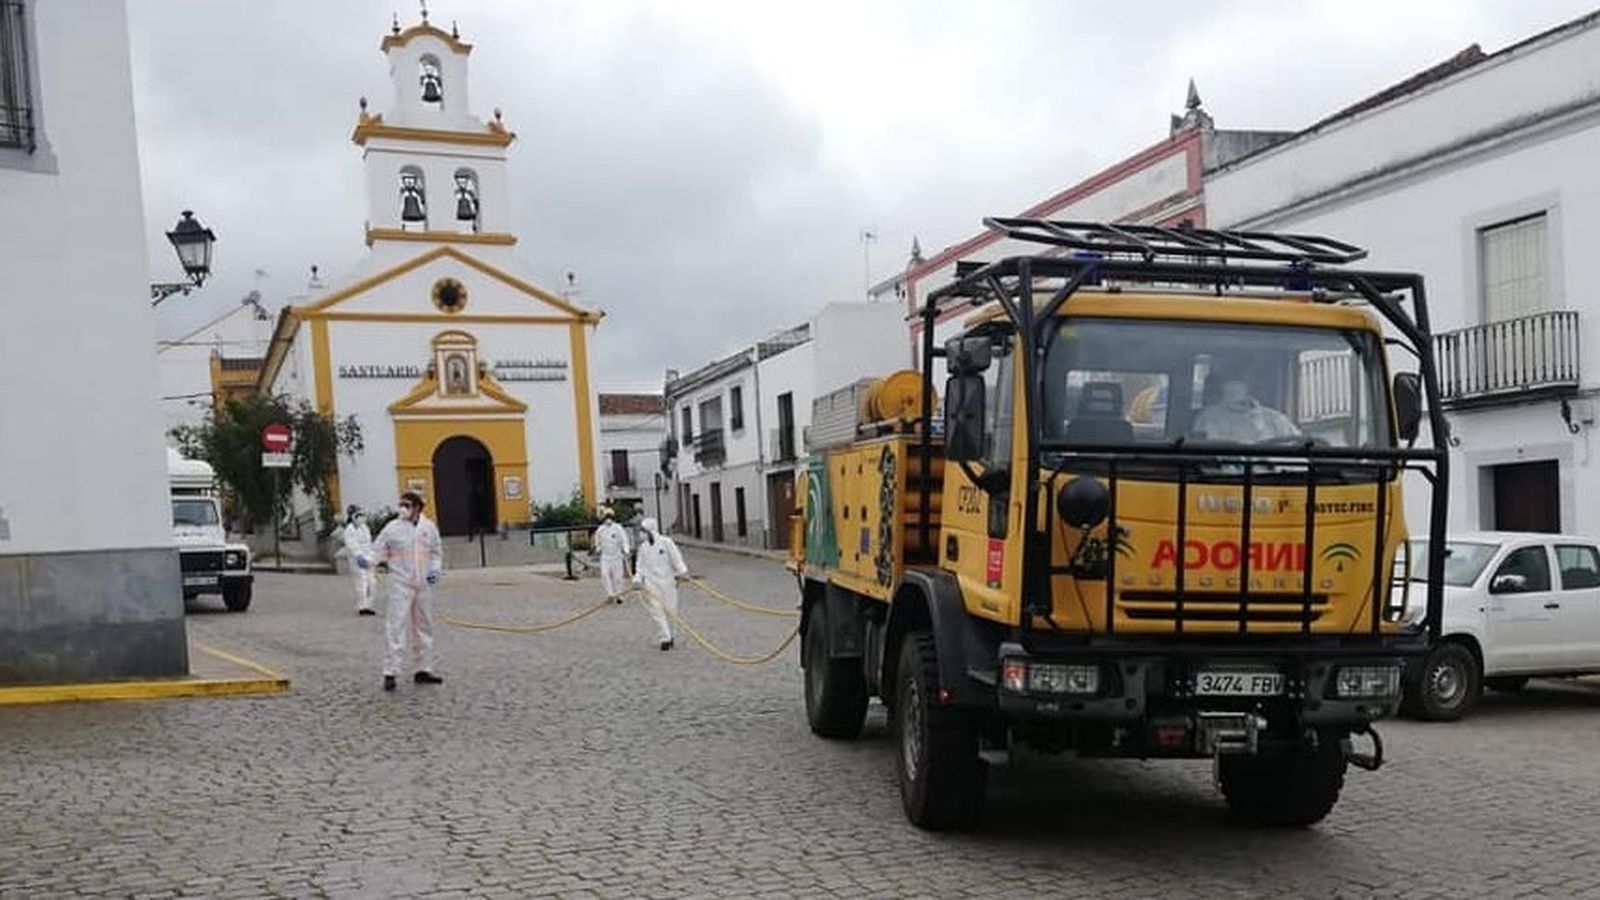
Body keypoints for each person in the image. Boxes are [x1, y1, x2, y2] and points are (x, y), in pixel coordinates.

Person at [358, 491, 444, 691]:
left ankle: (423, 668)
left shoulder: (429, 528)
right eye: (401, 504)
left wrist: (434, 571)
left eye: (407, 504)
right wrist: (368, 561)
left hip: (422, 585)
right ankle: (391, 671)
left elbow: (436, 553)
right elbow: (378, 550)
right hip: (400, 584)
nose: (402, 508)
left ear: (417, 507)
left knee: (424, 627)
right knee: (395, 626)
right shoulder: (392, 528)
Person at [1191, 366, 1301, 444]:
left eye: (1239, 380)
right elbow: (1205, 454)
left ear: (1249, 386)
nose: (1234, 387)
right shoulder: (1209, 417)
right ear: (1220, 386)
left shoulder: (1275, 418)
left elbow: (1297, 444)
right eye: (1229, 381)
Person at [632, 517, 688, 651]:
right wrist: (637, 580)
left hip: (668, 581)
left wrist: (683, 572)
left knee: (671, 609)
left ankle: (672, 634)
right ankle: (665, 638)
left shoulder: (666, 542)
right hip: (651, 583)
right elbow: (640, 567)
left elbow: (676, 558)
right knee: (656, 610)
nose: (641, 534)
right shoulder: (643, 548)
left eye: (644, 531)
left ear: (651, 530)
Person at [340, 506, 377, 616]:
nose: (362, 518)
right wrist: (358, 556)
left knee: (372, 583)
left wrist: (372, 557)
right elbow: (351, 546)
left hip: (368, 558)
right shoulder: (349, 530)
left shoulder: (365, 528)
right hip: (357, 561)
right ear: (353, 516)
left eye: (362, 515)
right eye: (359, 515)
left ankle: (369, 605)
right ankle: (362, 606)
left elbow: (369, 544)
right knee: (362, 582)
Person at [593, 507, 631, 604]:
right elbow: (597, 541)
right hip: (605, 557)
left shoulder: (618, 528)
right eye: (606, 517)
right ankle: (610, 594)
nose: (608, 519)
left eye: (610, 517)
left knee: (618, 577)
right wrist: (598, 548)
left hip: (617, 556)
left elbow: (624, 540)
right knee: (605, 575)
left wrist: (626, 549)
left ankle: (619, 595)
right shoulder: (600, 529)